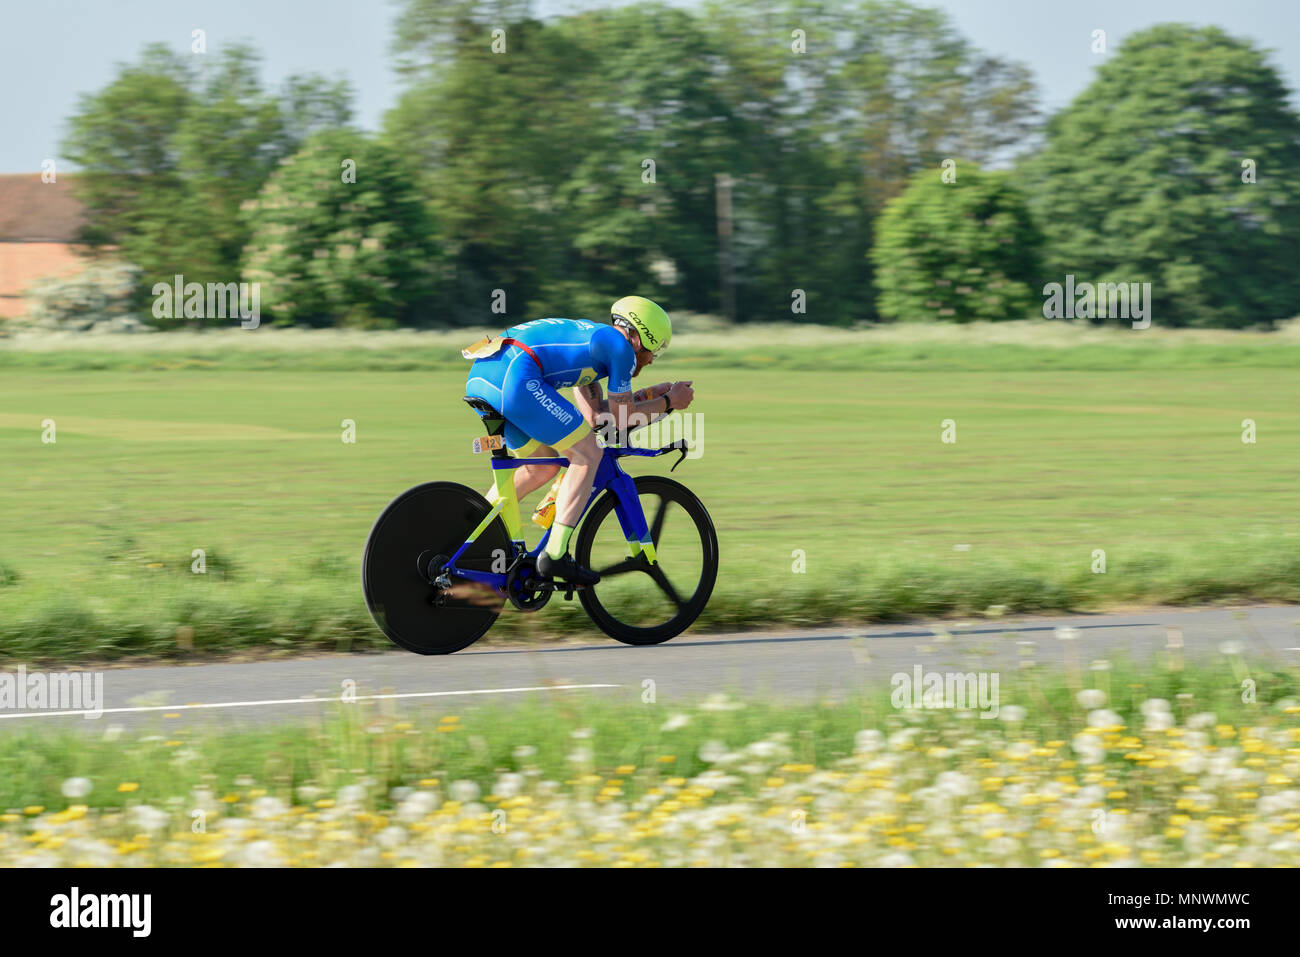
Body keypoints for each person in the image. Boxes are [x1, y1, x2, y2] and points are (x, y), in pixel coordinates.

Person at [463, 295, 694, 584]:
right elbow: (623, 419)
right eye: (652, 354)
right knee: (588, 454)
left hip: (486, 377)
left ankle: (468, 534)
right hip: (514, 377)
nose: (649, 362)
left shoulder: (596, 343)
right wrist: (670, 400)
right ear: (638, 339)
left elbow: (596, 417)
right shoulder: (620, 348)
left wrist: (653, 398)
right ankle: (555, 556)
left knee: (542, 466)